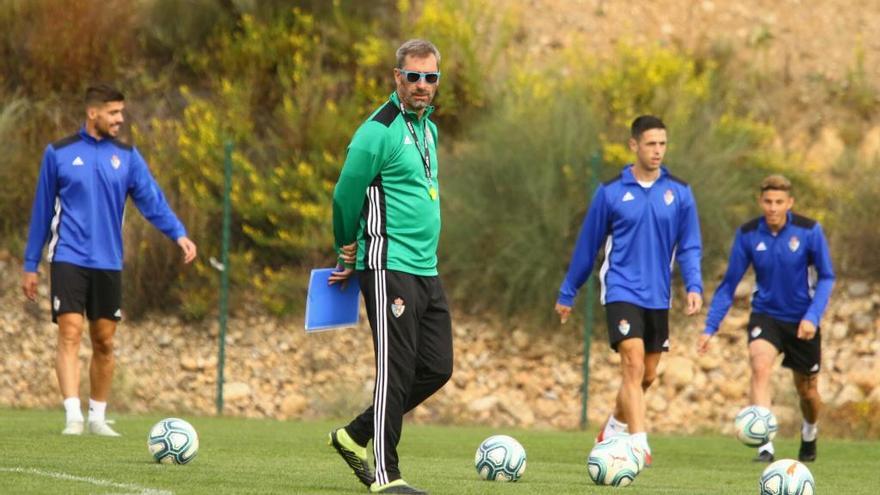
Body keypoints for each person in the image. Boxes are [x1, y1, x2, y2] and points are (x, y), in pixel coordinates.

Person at [22, 84, 197, 437]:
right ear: (93, 113)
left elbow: (152, 200)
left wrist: (178, 233)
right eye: (114, 113)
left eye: (121, 112)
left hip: (108, 262)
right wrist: (30, 264)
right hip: (67, 256)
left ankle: (97, 417)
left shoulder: (128, 157)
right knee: (69, 332)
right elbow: (42, 212)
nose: (120, 119)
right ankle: (73, 416)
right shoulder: (58, 153)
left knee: (104, 340)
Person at [326, 39, 452, 495]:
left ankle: (354, 435)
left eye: (430, 77)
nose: (422, 85)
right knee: (396, 370)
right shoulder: (377, 130)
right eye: (414, 76)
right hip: (387, 266)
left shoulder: (428, 129)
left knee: (438, 367)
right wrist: (347, 248)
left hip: (426, 270)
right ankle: (385, 475)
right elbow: (345, 194)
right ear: (396, 77)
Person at [555, 115, 703, 465]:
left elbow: (690, 245)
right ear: (634, 145)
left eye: (662, 144)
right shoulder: (610, 192)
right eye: (651, 144)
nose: (657, 151)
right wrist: (567, 292)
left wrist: (694, 284)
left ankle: (612, 428)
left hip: (658, 295)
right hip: (620, 288)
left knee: (647, 376)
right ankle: (638, 445)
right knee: (632, 364)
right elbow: (587, 245)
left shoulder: (679, 193)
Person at [699, 174, 834, 463]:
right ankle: (765, 445)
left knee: (808, 392)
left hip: (802, 320)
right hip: (766, 315)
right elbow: (729, 284)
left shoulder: (809, 231)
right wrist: (710, 326)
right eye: (768, 202)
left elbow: (827, 277)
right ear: (761, 201)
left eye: (779, 202)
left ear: (790, 203)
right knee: (759, 365)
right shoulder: (748, 234)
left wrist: (812, 316)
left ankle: (809, 431)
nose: (773, 208)